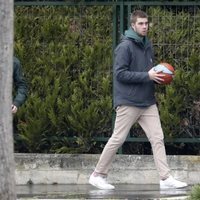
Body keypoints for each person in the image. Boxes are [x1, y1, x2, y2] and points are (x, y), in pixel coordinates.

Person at [89, 10, 188, 190]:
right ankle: (97, 175)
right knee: (118, 139)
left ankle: (165, 178)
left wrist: (157, 76)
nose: (144, 26)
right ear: (133, 25)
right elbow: (120, 74)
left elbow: (149, 73)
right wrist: (147, 76)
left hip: (147, 102)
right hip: (128, 101)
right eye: (141, 24)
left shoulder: (147, 45)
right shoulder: (124, 47)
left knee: (157, 138)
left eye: (146, 23)